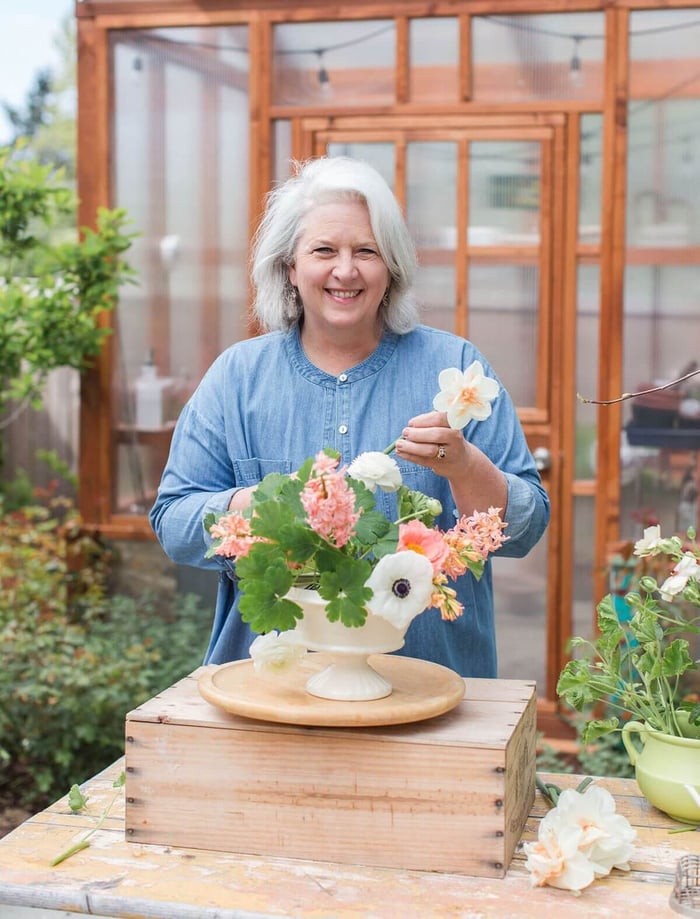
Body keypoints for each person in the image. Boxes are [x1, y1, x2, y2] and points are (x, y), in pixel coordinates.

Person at [150, 156, 550, 678]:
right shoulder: (238, 376)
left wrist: (465, 465)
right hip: (273, 694)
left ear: (392, 268)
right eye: (323, 250)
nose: (346, 270)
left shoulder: (454, 370)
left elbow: (524, 530)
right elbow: (174, 523)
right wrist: (266, 505)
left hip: (430, 691)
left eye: (367, 250)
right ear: (289, 267)